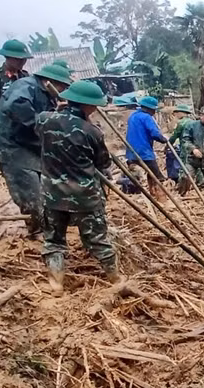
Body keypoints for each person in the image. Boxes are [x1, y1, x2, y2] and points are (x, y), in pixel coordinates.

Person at [36, 80, 120, 296]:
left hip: (52, 194)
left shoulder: (45, 120)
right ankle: (115, 278)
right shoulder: (92, 131)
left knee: (54, 240)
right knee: (97, 239)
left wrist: (58, 111)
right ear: (88, 106)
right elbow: (103, 163)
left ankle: (56, 283)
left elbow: (40, 131)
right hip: (85, 196)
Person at [0, 64, 72, 237]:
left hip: (27, 144)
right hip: (9, 146)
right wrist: (48, 118)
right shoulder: (26, 86)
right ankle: (40, 231)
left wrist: (54, 112)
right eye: (63, 86)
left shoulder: (45, 92)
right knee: (29, 189)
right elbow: (20, 110)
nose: (63, 90)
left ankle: (43, 223)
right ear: (49, 81)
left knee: (44, 183)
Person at [125, 96, 168, 199]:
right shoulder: (146, 117)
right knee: (157, 175)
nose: (154, 112)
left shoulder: (132, 116)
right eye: (154, 110)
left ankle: (146, 192)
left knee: (138, 173)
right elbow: (154, 133)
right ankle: (159, 195)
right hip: (144, 151)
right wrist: (163, 139)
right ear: (149, 108)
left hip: (131, 151)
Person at [0, 39, 33, 115]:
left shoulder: (26, 76)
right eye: (18, 59)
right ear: (7, 57)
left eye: (24, 59)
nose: (22, 62)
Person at [166, 104, 194, 187]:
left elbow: (174, 136)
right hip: (195, 147)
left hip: (185, 146)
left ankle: (181, 184)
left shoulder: (181, 123)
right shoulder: (194, 122)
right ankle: (199, 184)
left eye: (177, 112)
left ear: (183, 113)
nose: (176, 114)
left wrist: (168, 145)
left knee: (183, 165)